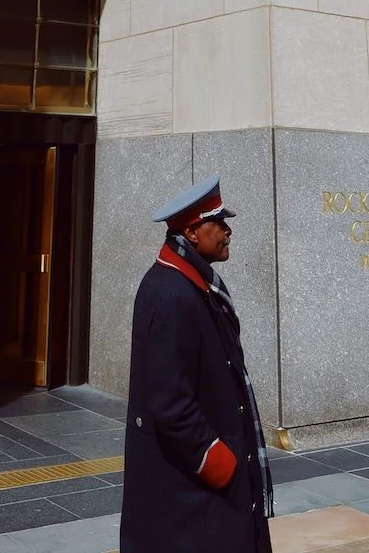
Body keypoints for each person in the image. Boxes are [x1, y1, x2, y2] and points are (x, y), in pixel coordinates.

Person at [120, 176, 273, 553]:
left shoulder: (191, 284)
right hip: (192, 501)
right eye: (217, 223)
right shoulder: (174, 295)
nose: (227, 231)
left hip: (199, 497)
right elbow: (172, 407)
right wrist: (223, 466)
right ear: (191, 232)